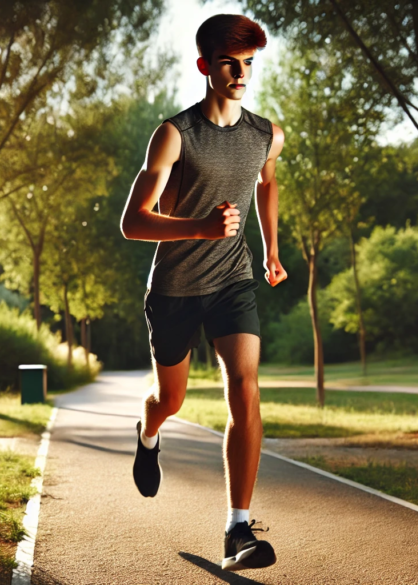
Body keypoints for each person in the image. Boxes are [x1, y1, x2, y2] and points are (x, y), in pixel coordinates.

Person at [119, 13, 287, 572]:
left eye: (248, 64)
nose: (240, 74)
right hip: (173, 288)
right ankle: (149, 430)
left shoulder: (267, 134)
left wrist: (270, 251)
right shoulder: (174, 135)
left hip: (232, 281)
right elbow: (133, 223)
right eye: (228, 64)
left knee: (246, 387)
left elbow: (266, 182)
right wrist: (200, 227)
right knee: (172, 399)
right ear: (204, 67)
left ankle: (238, 528)